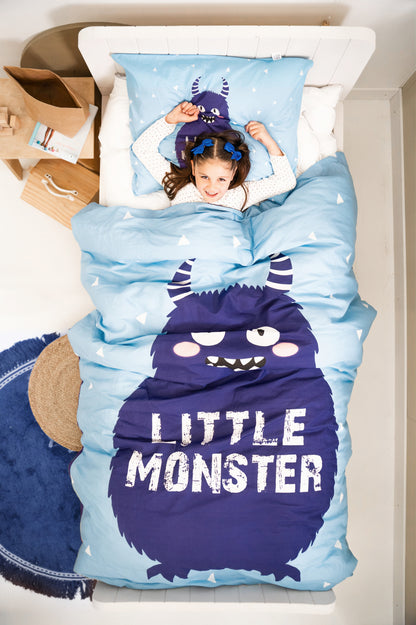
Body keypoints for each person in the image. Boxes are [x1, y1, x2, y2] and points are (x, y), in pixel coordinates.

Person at [132, 101, 296, 211]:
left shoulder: (240, 195)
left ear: (233, 174)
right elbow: (142, 149)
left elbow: (286, 181)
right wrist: (170, 120)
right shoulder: (178, 185)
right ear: (193, 168)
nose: (211, 187)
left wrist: (268, 141)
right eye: (204, 177)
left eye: (222, 179)